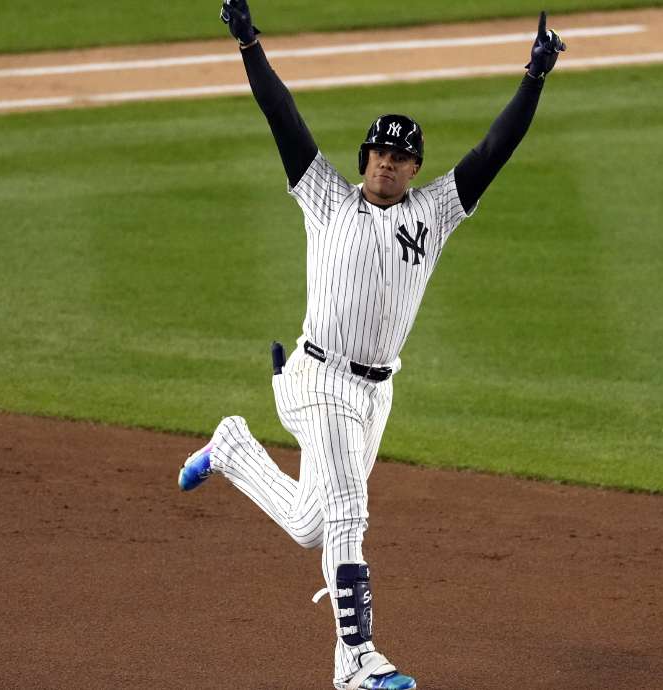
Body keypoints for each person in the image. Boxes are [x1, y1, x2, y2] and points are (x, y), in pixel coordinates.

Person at [179, 3, 565, 688]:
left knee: (313, 524)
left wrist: (534, 77)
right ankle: (356, 660)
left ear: (415, 169)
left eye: (402, 156)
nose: (389, 162)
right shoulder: (324, 196)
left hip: (375, 393)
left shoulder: (435, 212)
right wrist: (249, 42)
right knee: (349, 514)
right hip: (318, 378)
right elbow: (281, 114)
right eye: (380, 152)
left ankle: (233, 446)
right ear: (365, 159)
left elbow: (493, 151)